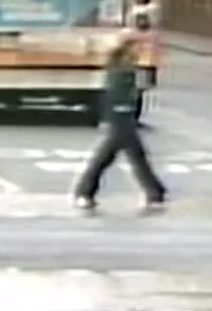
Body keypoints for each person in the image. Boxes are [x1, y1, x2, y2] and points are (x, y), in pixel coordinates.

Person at [72, 31, 168, 209]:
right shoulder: (121, 65)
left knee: (123, 156)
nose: (141, 49)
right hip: (120, 116)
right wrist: (120, 112)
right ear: (128, 46)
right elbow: (115, 93)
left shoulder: (126, 63)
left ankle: (155, 192)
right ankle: (84, 191)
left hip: (124, 115)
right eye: (138, 45)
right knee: (119, 157)